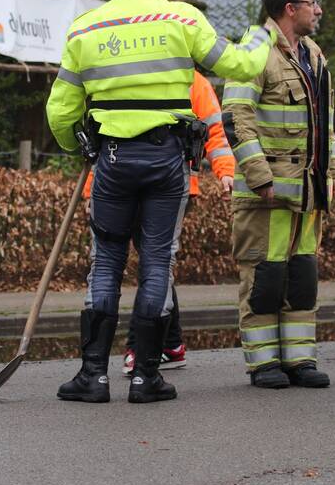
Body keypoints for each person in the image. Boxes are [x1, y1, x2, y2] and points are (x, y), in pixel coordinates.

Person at [46, 0, 273, 404]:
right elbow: (241, 64)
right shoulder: (182, 17)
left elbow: (59, 112)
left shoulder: (84, 28)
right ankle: (146, 378)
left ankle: (93, 376)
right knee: (156, 263)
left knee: (105, 262)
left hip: (110, 162)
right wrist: (260, 34)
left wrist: (80, 147)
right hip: (166, 162)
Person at [222, 0, 335, 389]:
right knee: (264, 277)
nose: (319, 9)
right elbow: (236, 118)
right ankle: (263, 363)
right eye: (312, 2)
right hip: (267, 196)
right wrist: (259, 178)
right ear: (289, 8)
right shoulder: (253, 50)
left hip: (307, 195)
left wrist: (334, 171)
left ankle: (299, 360)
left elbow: (323, 122)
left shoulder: (312, 53)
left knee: (301, 277)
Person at [78, 71, 235, 375]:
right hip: (141, 184)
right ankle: (171, 345)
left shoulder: (191, 80)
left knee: (151, 264)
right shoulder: (145, 75)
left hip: (168, 187)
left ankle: (141, 349)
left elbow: (215, 128)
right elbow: (105, 135)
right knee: (155, 263)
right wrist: (90, 189)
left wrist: (225, 169)